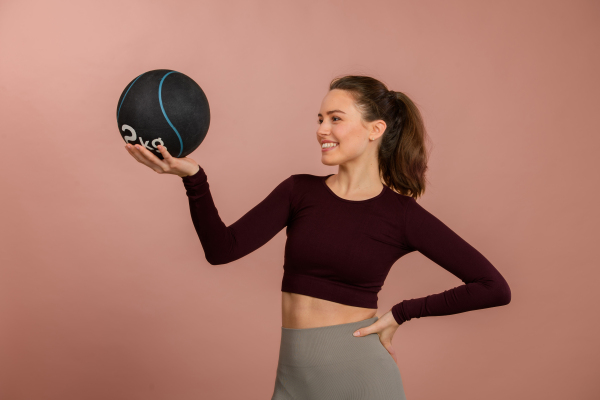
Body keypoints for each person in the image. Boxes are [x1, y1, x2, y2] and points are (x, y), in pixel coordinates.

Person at [124, 75, 511, 399]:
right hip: (292, 380)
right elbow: (221, 250)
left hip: (359, 378)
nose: (321, 129)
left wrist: (402, 313)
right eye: (320, 118)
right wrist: (193, 178)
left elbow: (493, 287)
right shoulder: (300, 191)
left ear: (376, 129)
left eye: (336, 119)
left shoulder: (402, 215)